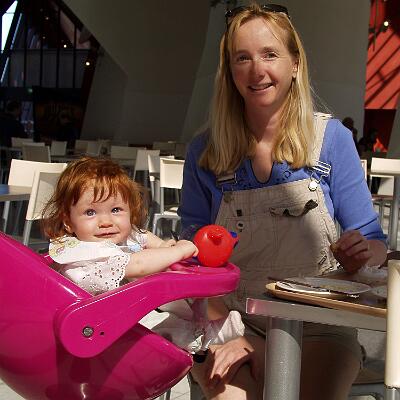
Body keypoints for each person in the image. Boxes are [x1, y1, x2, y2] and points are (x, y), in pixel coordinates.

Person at [178, 3, 387, 400]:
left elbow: (374, 241)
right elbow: (190, 262)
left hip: (320, 325)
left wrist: (361, 254)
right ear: (230, 71)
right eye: (243, 58)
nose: (257, 70)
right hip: (233, 319)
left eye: (270, 54)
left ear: (295, 64)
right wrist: (227, 332)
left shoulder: (332, 140)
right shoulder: (205, 151)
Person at [41, 157, 244, 354]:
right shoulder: (85, 254)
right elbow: (137, 265)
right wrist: (178, 251)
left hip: (124, 312)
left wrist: (161, 245)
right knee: (155, 324)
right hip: (103, 328)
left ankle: (199, 323)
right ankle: (200, 336)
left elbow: (142, 235)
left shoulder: (115, 236)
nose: (106, 221)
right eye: (90, 212)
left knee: (184, 297)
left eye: (116, 209)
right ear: (68, 221)